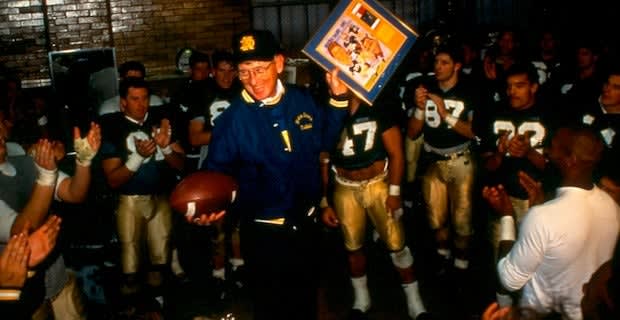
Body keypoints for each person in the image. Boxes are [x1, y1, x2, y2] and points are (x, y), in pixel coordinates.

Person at [192, 29, 348, 320]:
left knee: (305, 305)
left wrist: (338, 99)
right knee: (272, 309)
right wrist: (210, 206)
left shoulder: (302, 100)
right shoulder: (231, 121)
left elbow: (324, 141)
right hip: (265, 235)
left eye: (260, 69)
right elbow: (216, 176)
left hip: (307, 227)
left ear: (279, 63)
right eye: (245, 72)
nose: (254, 80)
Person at [321, 92, 431, 320]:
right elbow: (322, 158)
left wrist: (394, 191)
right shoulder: (329, 109)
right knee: (352, 247)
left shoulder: (379, 107)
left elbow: (396, 153)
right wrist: (324, 200)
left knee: (397, 244)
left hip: (377, 183)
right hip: (344, 186)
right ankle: (362, 298)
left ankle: (414, 301)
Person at [493, 126, 620, 320]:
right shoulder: (612, 206)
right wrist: (541, 205)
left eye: (553, 147)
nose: (547, 152)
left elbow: (510, 280)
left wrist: (507, 216)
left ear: (571, 160)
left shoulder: (543, 217)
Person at [1, 120, 100, 319]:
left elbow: (74, 193)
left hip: (55, 273)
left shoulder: (21, 158)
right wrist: (46, 176)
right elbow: (21, 231)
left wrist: (83, 160)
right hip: (21, 292)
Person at [99, 77, 184, 306]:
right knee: (130, 267)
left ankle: (157, 305)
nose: (141, 104)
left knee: (160, 261)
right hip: (130, 202)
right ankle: (132, 309)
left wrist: (165, 147)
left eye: (145, 98)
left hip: (161, 198)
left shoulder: (159, 120)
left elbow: (181, 165)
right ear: (123, 103)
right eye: (135, 99)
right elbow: (113, 180)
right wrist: (138, 158)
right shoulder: (111, 125)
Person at [177, 49, 244, 303]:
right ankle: (218, 274)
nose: (227, 76)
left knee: (239, 220)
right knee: (218, 224)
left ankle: (238, 267)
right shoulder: (201, 95)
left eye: (232, 70)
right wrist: (228, 134)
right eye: (222, 70)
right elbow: (194, 137)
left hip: (243, 165)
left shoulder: (244, 94)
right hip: (215, 165)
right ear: (214, 71)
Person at [406, 43, 477, 278]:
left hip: (461, 159)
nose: (438, 67)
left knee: (463, 222)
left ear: (457, 66)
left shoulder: (469, 90)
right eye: (436, 62)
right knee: (436, 220)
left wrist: (445, 113)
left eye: (445, 62)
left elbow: (473, 132)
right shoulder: (425, 89)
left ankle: (462, 267)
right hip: (433, 160)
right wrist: (418, 107)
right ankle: (444, 259)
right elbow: (413, 133)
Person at [98, 60, 164, 116]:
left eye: (138, 80)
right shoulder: (108, 108)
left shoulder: (155, 103)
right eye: (130, 80)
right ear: (121, 80)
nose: (134, 84)